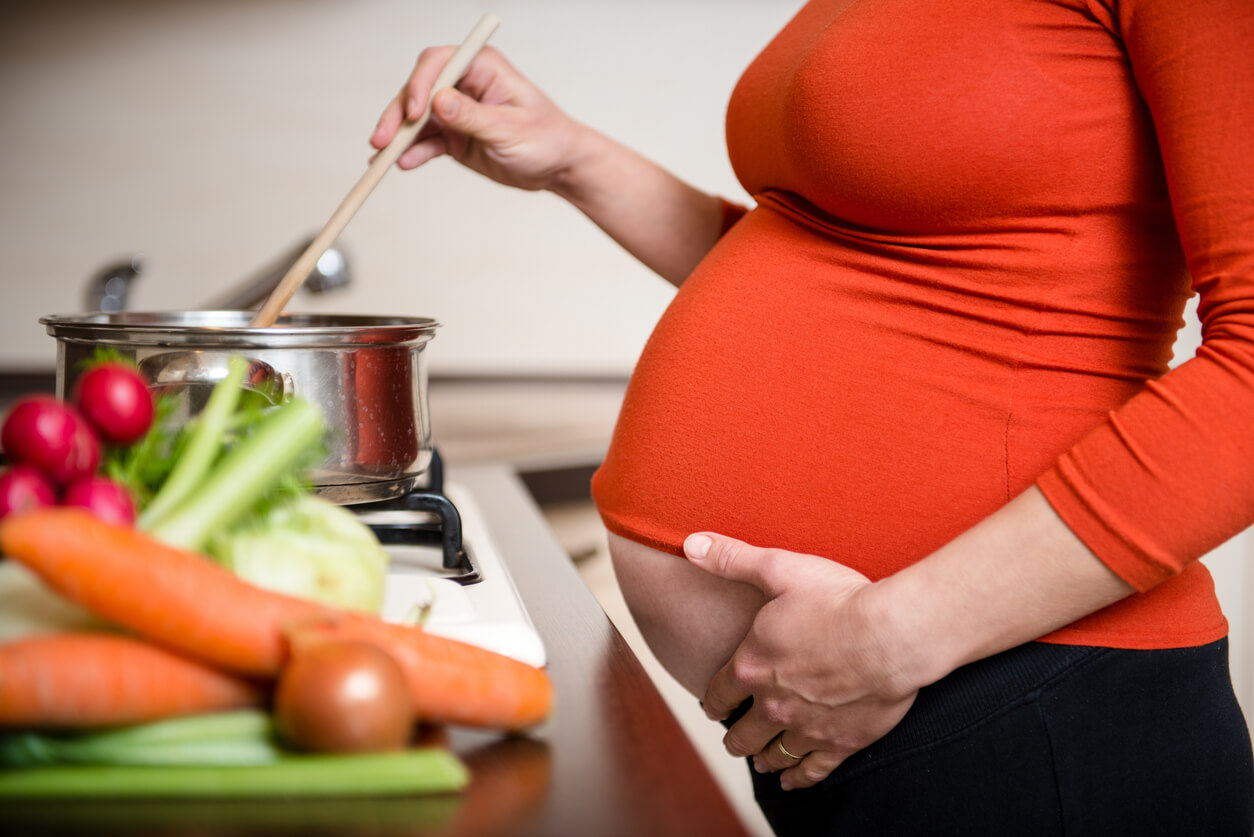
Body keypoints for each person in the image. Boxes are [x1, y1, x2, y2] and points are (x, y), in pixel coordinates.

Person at [372, 1, 1254, 833]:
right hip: (867, 707)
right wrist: (572, 158)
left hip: (1028, 700)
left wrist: (888, 639)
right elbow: (853, 280)